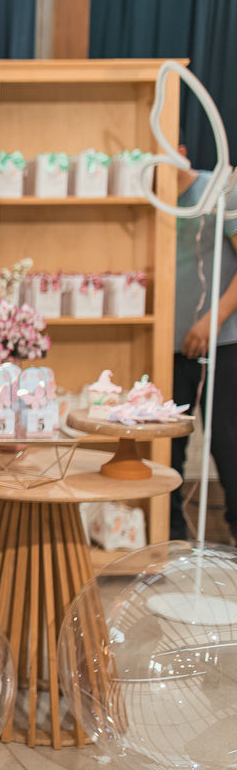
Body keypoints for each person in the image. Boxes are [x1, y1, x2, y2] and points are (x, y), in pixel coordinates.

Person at [170, 148, 237, 542]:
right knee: (167, 452)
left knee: (229, 444)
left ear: (179, 151)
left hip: (222, 344)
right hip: (166, 349)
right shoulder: (147, 199)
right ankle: (171, 541)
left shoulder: (221, 189)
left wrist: (214, 319)